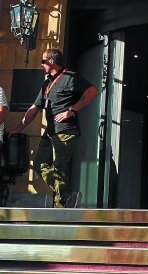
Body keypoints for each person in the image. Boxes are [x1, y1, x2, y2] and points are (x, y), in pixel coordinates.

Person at [9, 48, 98, 208]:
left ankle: (61, 205)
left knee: (60, 166)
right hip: (50, 131)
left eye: (43, 61)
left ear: (51, 62)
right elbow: (34, 109)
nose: (41, 64)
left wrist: (71, 110)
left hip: (66, 129)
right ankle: (65, 196)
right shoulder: (47, 83)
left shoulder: (71, 77)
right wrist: (19, 128)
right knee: (39, 164)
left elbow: (92, 92)